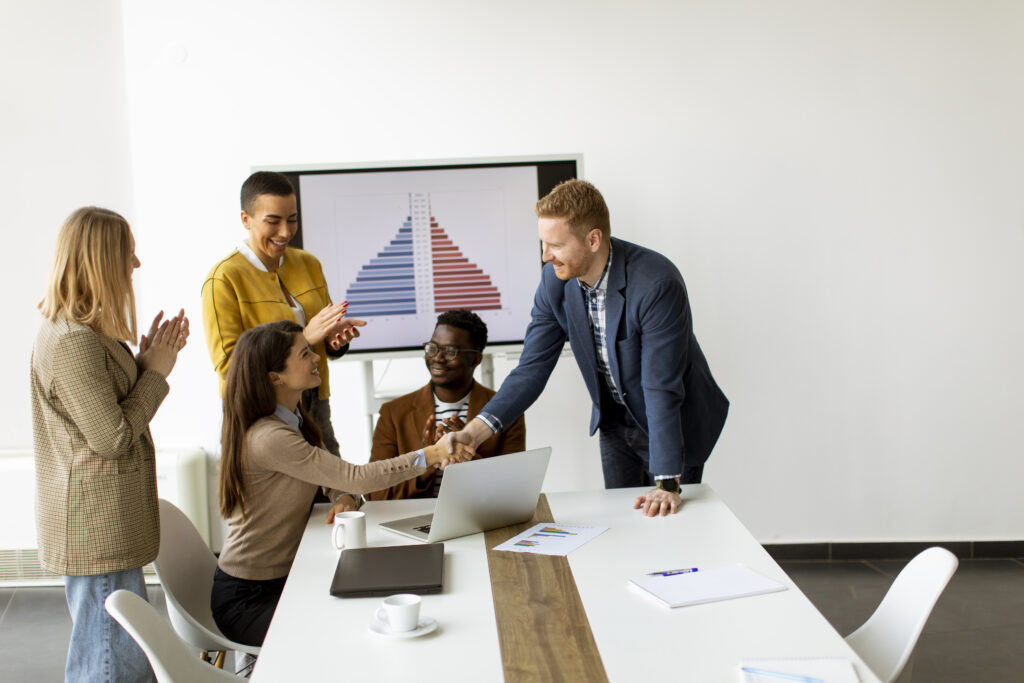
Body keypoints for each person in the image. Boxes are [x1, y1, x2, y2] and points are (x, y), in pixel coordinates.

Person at [449, 180, 729, 517]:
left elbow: (660, 387)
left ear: (593, 239)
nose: (545, 255)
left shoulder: (656, 283)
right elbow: (531, 369)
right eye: (542, 243)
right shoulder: (554, 281)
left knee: (670, 520)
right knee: (624, 521)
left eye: (555, 244)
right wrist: (474, 432)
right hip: (613, 420)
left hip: (674, 420)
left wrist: (667, 481)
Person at [211, 321, 472, 646]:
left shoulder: (292, 420)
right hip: (248, 598)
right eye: (304, 353)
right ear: (275, 376)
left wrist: (344, 497)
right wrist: (429, 455)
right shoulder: (270, 438)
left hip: (283, 578)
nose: (316, 358)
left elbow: (335, 480)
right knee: (342, 634)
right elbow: (356, 476)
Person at [31, 206, 189, 682]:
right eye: (129, 254)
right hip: (96, 527)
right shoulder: (71, 341)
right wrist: (156, 375)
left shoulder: (87, 334)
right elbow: (114, 438)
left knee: (119, 654)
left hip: (105, 524)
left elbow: (106, 412)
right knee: (108, 663)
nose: (136, 265)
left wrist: (142, 366)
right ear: (101, 260)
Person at [201, 171, 366, 508]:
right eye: (273, 221)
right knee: (277, 514)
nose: (285, 232)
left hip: (314, 405)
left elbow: (319, 339)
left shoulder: (308, 263)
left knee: (338, 499)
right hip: (261, 415)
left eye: (292, 220)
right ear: (246, 219)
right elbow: (230, 367)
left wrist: (333, 341)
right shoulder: (224, 279)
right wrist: (306, 336)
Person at [367, 309, 526, 500]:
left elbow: (514, 489)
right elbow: (375, 493)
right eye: (432, 347)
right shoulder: (393, 413)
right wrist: (427, 458)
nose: (437, 358)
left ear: (476, 359)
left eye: (450, 351)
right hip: (413, 519)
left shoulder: (507, 412)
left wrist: (469, 454)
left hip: (480, 517)